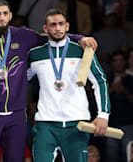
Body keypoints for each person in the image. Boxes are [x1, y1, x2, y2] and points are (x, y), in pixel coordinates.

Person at [0, 0, 97, 162]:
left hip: (16, 115)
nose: (2, 17)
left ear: (10, 15)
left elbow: (50, 36)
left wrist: (79, 38)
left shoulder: (23, 35)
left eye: (5, 13)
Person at [27, 9, 110, 162]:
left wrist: (103, 115)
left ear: (67, 26)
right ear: (45, 29)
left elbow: (100, 81)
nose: (57, 28)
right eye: (53, 25)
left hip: (77, 123)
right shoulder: (35, 54)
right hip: (46, 123)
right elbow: (18, 81)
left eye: (61, 24)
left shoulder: (82, 51)